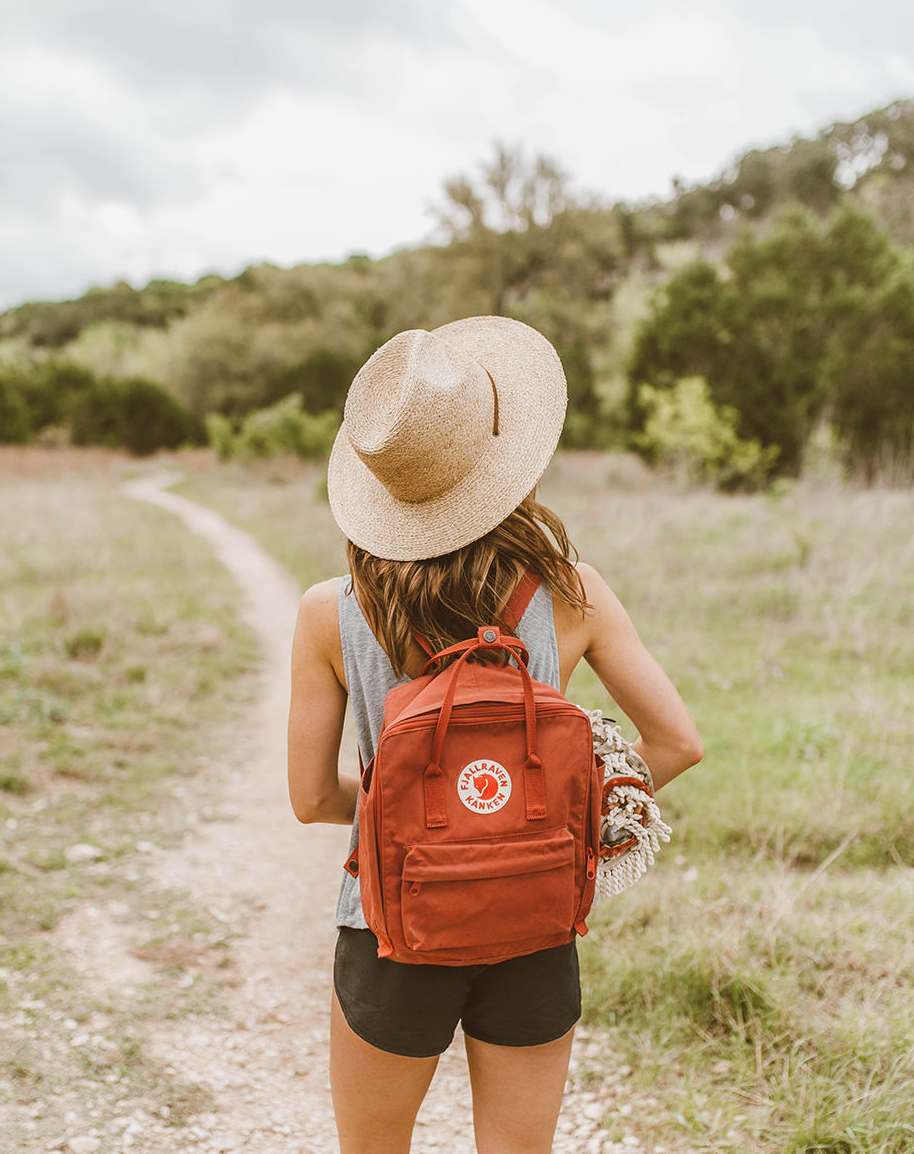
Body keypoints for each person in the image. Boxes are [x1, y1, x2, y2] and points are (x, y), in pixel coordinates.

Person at [287, 317, 703, 1154]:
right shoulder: (573, 591)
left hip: (389, 924)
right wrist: (546, 817)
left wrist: (411, 820)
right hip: (533, 920)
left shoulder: (327, 611)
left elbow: (308, 799)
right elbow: (678, 743)